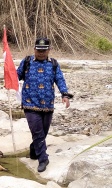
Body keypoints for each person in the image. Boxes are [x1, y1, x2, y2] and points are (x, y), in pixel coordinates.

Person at [16, 38, 72, 172]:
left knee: (44, 132)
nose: (41, 53)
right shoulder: (27, 61)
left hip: (48, 104)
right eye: (39, 50)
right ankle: (43, 158)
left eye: (44, 50)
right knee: (37, 132)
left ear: (49, 50)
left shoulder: (53, 64)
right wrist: (8, 76)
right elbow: (16, 76)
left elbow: (59, 79)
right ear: (34, 49)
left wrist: (65, 95)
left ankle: (34, 149)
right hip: (30, 104)